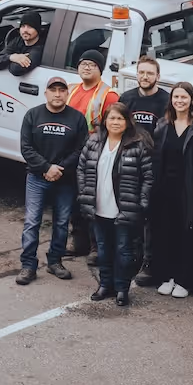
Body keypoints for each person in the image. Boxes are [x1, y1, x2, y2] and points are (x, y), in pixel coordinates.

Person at [76, 103, 154, 306]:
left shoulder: (137, 145)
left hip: (124, 209)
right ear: (105, 120)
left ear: (127, 121)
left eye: (120, 118)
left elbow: (148, 176)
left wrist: (142, 202)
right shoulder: (94, 141)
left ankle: (121, 289)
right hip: (98, 207)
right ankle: (105, 285)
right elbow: (82, 168)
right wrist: (85, 193)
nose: (115, 122)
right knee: (102, 249)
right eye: (112, 118)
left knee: (123, 251)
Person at [15, 76, 88, 285]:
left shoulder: (77, 118)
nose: (57, 94)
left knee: (62, 223)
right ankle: (28, 265)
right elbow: (26, 148)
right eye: (53, 90)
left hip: (65, 180)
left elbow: (80, 149)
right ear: (46, 92)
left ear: (67, 93)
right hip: (37, 178)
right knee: (31, 222)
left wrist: (60, 169)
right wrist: (47, 168)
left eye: (62, 90)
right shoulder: (33, 115)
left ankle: (55, 261)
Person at [150, 82, 193, 299]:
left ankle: (185, 280)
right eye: (176, 97)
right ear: (171, 100)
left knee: (187, 234)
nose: (179, 101)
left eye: (184, 97)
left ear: (191, 100)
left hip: (188, 189)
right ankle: (167, 277)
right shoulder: (163, 124)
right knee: (165, 233)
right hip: (164, 187)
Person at [119, 56, 170, 287]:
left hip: (155, 169)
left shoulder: (166, 101)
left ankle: (149, 264)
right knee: (128, 216)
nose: (145, 77)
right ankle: (129, 258)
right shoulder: (126, 99)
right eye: (142, 73)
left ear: (158, 76)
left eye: (150, 73)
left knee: (152, 219)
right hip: (130, 167)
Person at [66, 48, 118, 258]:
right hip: (72, 153)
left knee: (94, 201)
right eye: (83, 63)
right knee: (75, 202)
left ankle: (98, 247)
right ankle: (79, 243)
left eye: (92, 65)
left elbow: (114, 126)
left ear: (100, 69)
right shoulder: (71, 90)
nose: (86, 67)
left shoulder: (109, 95)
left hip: (95, 154)